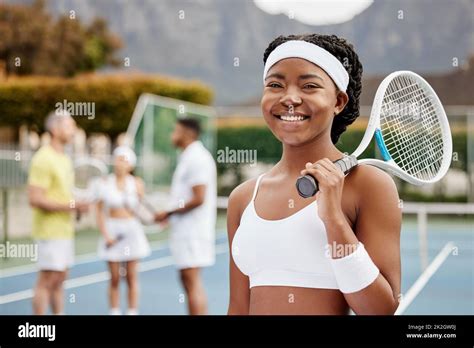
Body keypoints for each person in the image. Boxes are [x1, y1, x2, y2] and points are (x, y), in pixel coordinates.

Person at [227, 34, 402, 315]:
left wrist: (333, 219)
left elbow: (380, 310)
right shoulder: (242, 198)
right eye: (275, 85)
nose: (290, 98)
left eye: (309, 86)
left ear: (338, 101)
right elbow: (237, 308)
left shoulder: (369, 185)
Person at [28, 111, 89, 315]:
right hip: (49, 232)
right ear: (55, 130)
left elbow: (63, 196)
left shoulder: (64, 158)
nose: (74, 130)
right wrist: (71, 206)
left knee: (60, 280)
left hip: (64, 231)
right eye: (70, 126)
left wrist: (77, 206)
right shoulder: (43, 158)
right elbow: (35, 199)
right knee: (47, 281)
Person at [155, 118, 217, 315]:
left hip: (193, 232)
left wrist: (169, 211)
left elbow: (199, 198)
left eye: (176, 130)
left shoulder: (196, 158)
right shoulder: (189, 156)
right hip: (187, 231)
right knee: (188, 281)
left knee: (191, 282)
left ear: (187, 133)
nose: (172, 134)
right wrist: (170, 214)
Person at [96, 146, 151, 315]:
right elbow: (99, 211)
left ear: (131, 165)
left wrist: (154, 219)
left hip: (132, 231)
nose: (120, 163)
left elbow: (143, 209)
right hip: (112, 230)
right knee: (114, 277)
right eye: (118, 159)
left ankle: (132, 311)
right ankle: (114, 311)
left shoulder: (137, 183)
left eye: (124, 160)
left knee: (131, 276)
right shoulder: (105, 183)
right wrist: (106, 235)